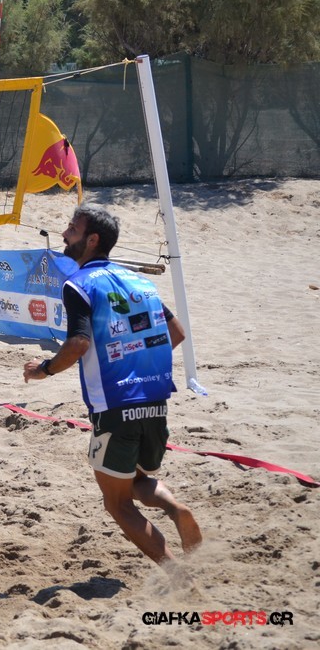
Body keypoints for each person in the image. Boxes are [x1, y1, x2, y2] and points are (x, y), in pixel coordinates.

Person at [23, 203, 202, 575]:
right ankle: (176, 509)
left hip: (116, 406)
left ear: (92, 240)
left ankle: (176, 575)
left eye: (72, 229)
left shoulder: (79, 285)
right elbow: (176, 333)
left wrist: (44, 370)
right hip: (155, 401)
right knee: (135, 479)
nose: (64, 234)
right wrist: (137, 362)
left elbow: (78, 344)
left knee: (116, 504)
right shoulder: (140, 283)